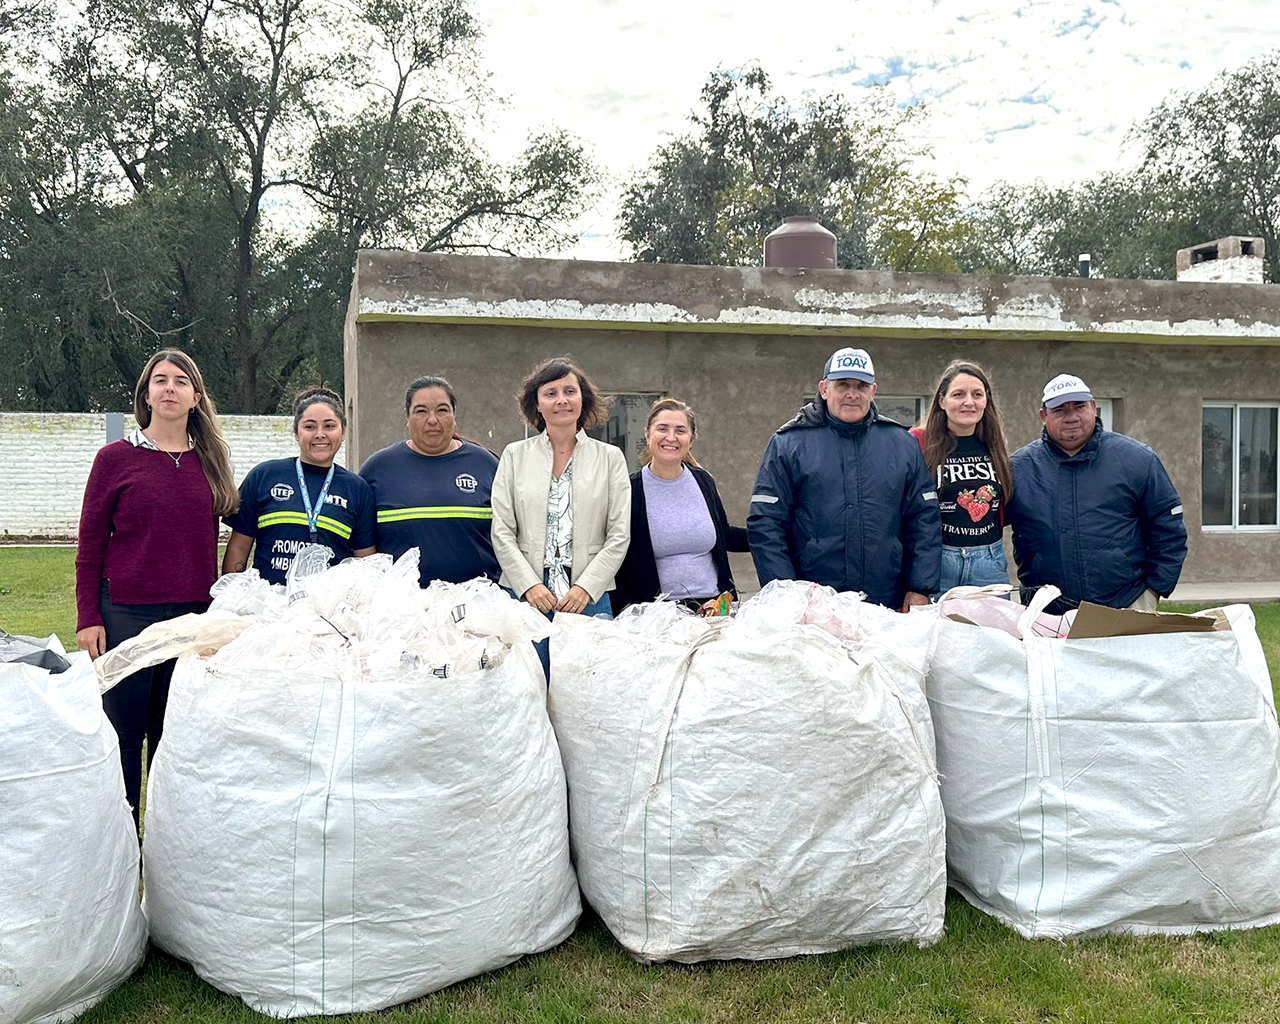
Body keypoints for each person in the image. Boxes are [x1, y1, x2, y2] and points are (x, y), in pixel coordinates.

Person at [75, 348, 238, 828]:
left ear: (195, 397)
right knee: (125, 733)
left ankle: (169, 843)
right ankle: (126, 843)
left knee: (174, 735)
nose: (170, 388)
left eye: (181, 381)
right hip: (126, 612)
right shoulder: (114, 459)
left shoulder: (210, 461)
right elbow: (89, 543)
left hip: (191, 618)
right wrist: (88, 617)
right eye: (160, 380)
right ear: (145, 395)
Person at [748, 346, 940, 611]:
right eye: (843, 385)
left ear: (873, 391)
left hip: (885, 601)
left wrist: (919, 587)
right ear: (824, 389)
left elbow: (923, 519)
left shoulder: (902, 444)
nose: (852, 394)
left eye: (861, 386)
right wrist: (786, 594)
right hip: (811, 605)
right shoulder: (788, 444)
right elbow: (766, 523)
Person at [491, 356, 629, 677]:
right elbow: (502, 531)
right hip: (527, 597)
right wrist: (529, 585)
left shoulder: (610, 458)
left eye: (570, 391)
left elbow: (619, 534)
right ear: (537, 404)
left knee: (586, 689)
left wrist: (585, 588)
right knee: (529, 687)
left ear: (583, 399)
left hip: (588, 597)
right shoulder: (515, 455)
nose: (562, 400)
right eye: (550, 393)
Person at [1005, 373, 1187, 613]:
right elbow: (985, 527)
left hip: (1126, 604)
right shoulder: (1018, 468)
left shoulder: (1137, 459)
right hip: (1046, 612)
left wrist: (1153, 591)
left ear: (1093, 407)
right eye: (1059, 409)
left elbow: (1167, 528)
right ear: (1043, 416)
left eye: (1079, 406)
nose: (1071, 416)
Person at [221, 386, 376, 585]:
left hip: (327, 603)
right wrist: (230, 593)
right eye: (309, 427)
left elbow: (364, 563)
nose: (320, 434)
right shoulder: (263, 476)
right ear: (296, 432)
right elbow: (238, 548)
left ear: (343, 431)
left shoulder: (358, 490)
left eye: (329, 426)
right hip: (269, 600)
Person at [359, 375, 501, 586]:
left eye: (442, 410)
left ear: (454, 416)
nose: (432, 420)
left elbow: (510, 535)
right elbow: (362, 546)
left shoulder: (487, 464)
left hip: (477, 599)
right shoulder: (377, 469)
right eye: (421, 411)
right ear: (407, 417)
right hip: (403, 600)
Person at [611, 399, 749, 614]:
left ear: (691, 440)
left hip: (713, 609)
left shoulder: (704, 481)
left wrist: (776, 534)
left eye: (680, 430)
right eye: (662, 429)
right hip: (657, 614)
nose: (671, 437)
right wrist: (626, 607)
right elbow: (613, 550)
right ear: (647, 435)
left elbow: (725, 535)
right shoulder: (630, 490)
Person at [910, 360, 1014, 594]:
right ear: (942, 401)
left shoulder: (993, 444)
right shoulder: (918, 442)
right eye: (958, 394)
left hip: (989, 563)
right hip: (937, 563)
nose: (969, 402)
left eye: (977, 394)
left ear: (986, 401)